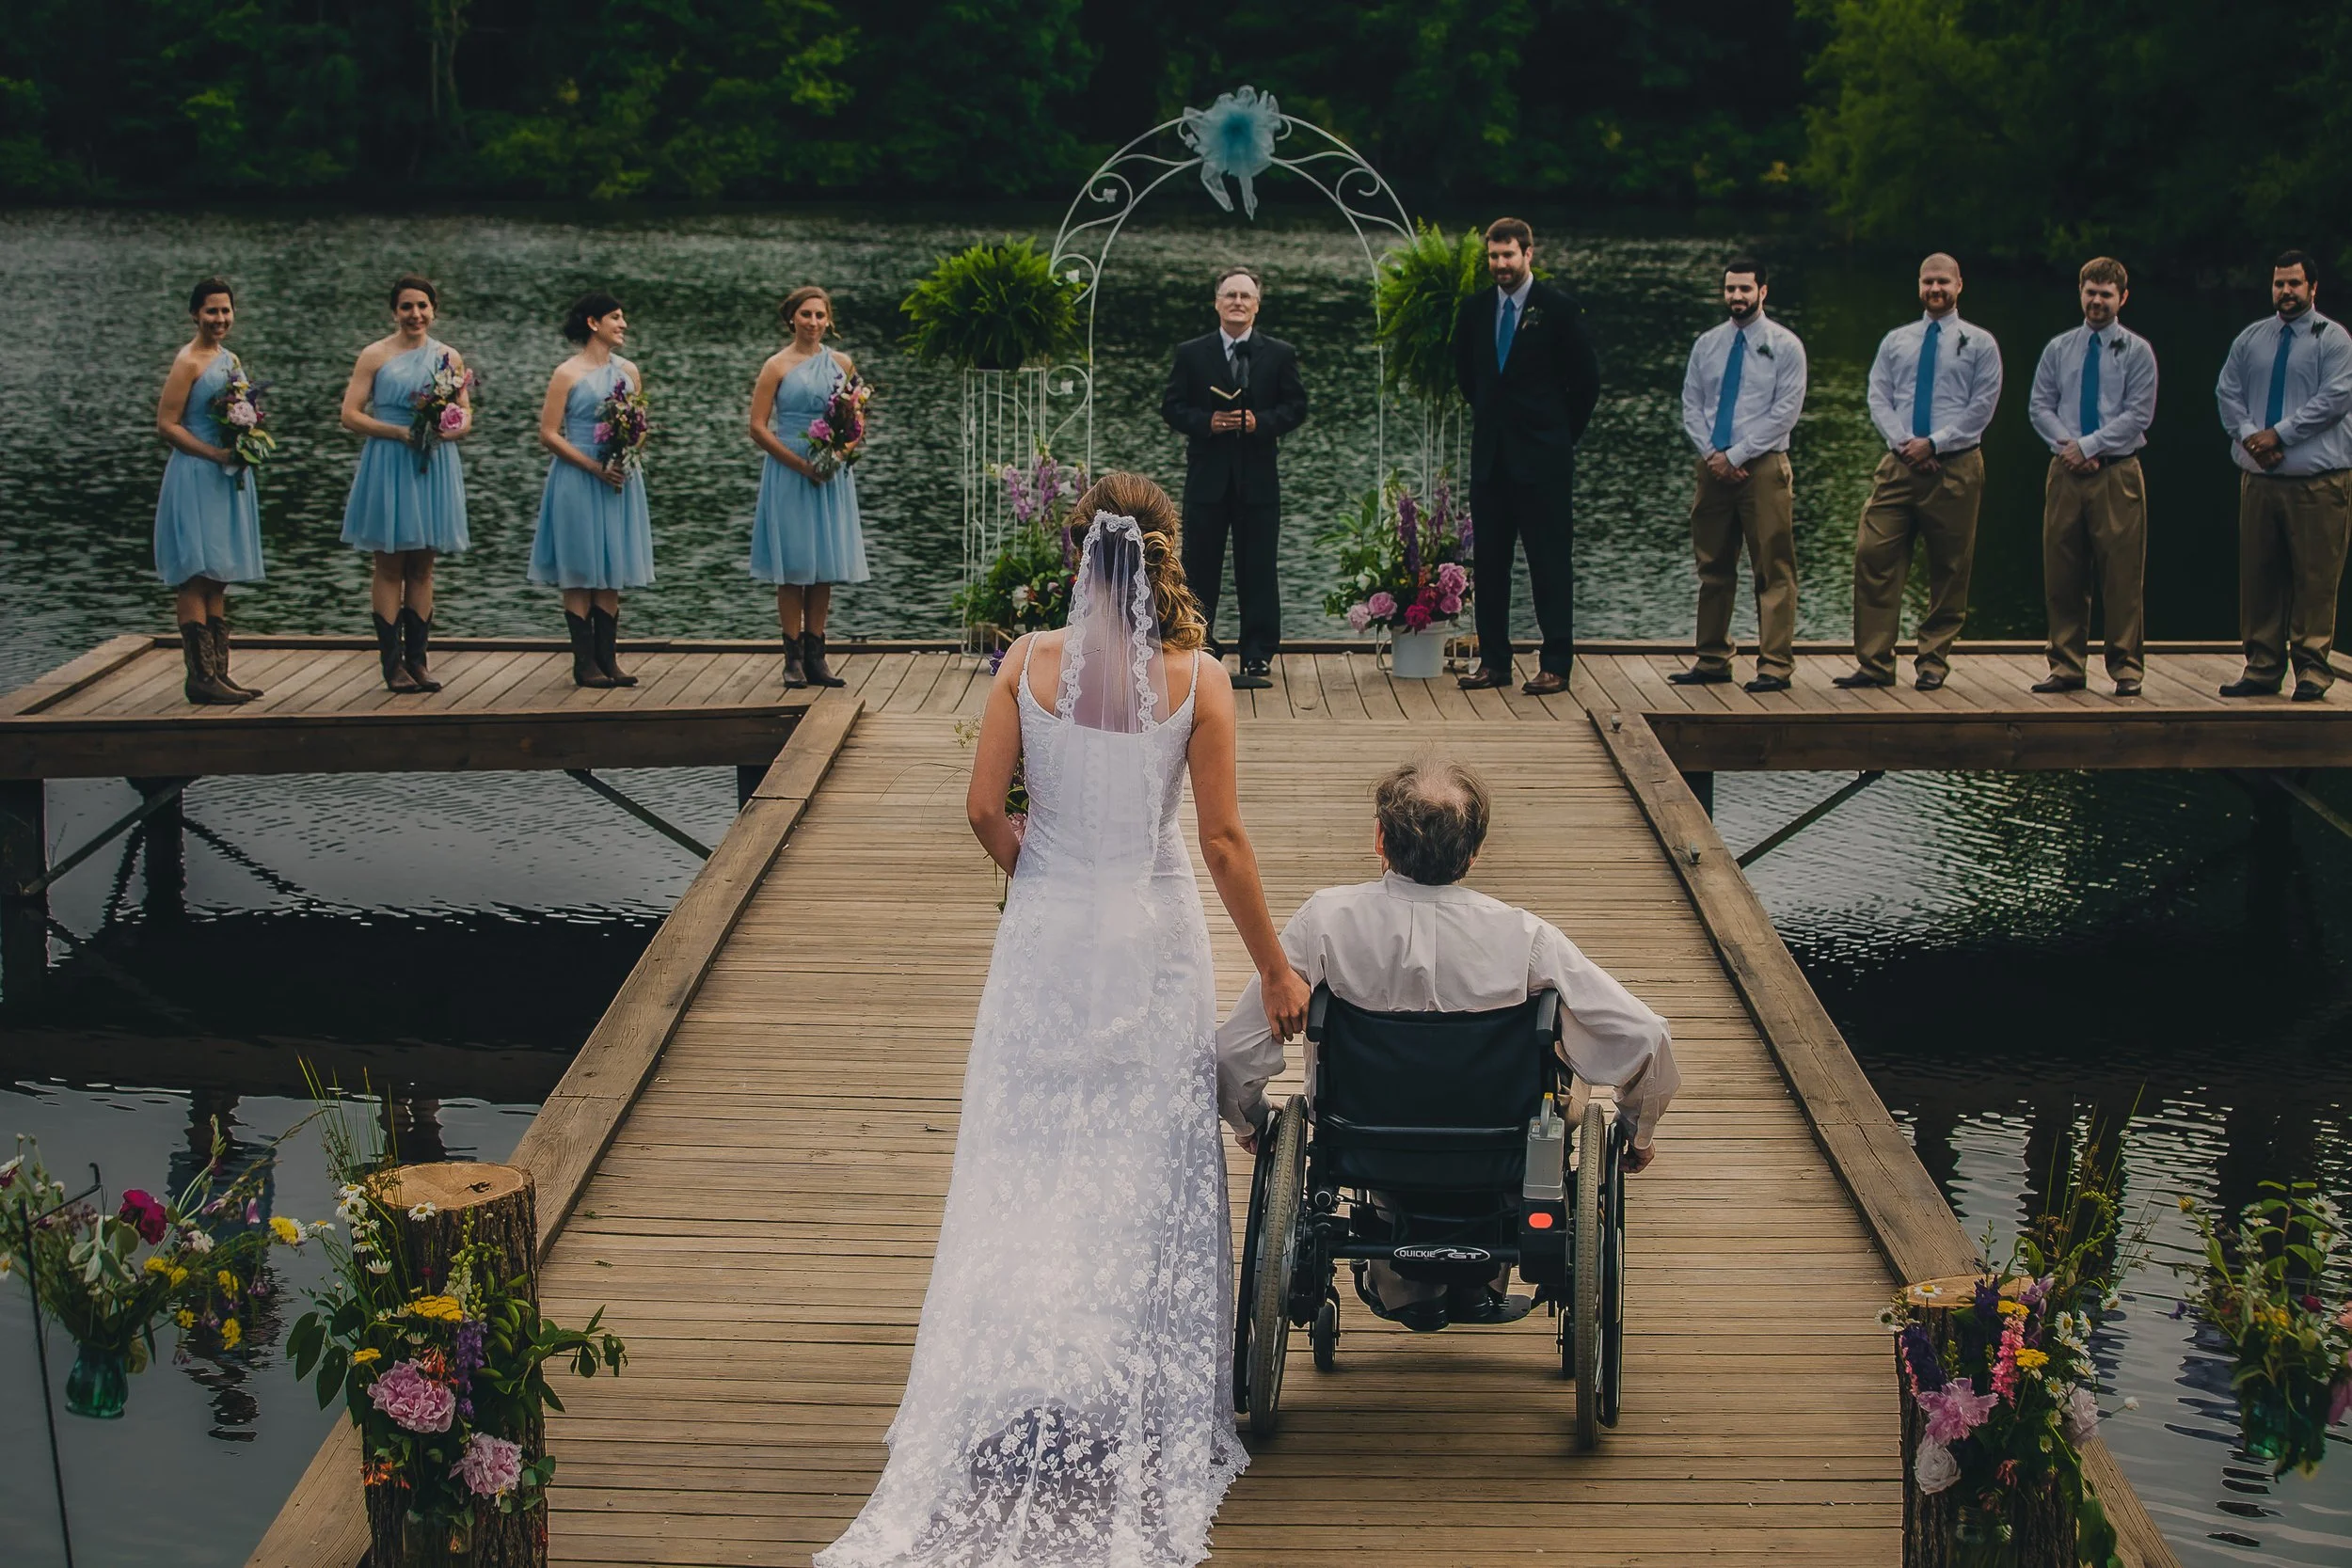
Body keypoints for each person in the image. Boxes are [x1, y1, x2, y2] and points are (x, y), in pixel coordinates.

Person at [818, 472, 1309, 1568]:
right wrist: (1276, 968)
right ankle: (1125, 1388)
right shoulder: (1201, 677)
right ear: (1168, 555)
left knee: (1028, 1152)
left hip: (1044, 933)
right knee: (1141, 1152)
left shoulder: (1025, 661)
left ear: (1082, 552)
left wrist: (1037, 876)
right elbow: (1223, 844)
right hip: (1153, 927)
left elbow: (984, 807)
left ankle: (1019, 1370)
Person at [1216, 752, 1677, 1334]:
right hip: (1497, 1147)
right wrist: (1639, 1129)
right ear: (1474, 851)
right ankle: (1478, 1279)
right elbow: (1646, 1037)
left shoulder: (1324, 923)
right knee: (1565, 1085)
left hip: (1364, 1142)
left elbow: (1233, 1053)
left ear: (1380, 840)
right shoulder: (1526, 938)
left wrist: (1252, 1120)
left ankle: (1410, 1288)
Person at [1837, 253, 2003, 692]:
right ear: (1918, 285)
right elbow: (1878, 397)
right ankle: (1874, 662)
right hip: (1899, 463)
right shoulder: (1897, 341)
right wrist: (1904, 444)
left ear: (1959, 285)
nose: (1936, 289)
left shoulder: (1980, 343)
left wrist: (1936, 442)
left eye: (1943, 282)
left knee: (1950, 566)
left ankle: (1933, 660)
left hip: (1956, 466)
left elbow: (1982, 406)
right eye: (1929, 281)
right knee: (1873, 554)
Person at [1454, 217, 1601, 695]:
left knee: (1549, 563)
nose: (1500, 265)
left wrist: (1558, 436)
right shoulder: (1475, 310)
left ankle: (1556, 662)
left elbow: (1586, 383)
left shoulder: (1557, 309)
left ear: (1528, 254)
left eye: (1508, 255)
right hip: (1491, 460)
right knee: (1491, 565)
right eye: (1493, 257)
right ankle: (1494, 662)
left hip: (1544, 462)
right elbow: (1467, 378)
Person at [1159, 266, 1309, 689]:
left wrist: (1257, 421)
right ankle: (1200, 645)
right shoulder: (1192, 353)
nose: (1238, 302)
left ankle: (1258, 653)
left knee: (1258, 568)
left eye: (1246, 296)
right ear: (1217, 303)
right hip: (1207, 480)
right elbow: (1171, 407)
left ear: (1257, 304)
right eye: (1230, 295)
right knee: (1198, 567)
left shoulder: (1279, 353)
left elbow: (1296, 407)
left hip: (1258, 482)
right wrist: (1210, 421)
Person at [2214, 249, 2352, 702]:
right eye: (2279, 284)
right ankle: (2262, 666)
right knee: (2260, 576)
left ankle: (2312, 669)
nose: (2285, 292)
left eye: (2294, 284)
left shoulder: (2333, 339)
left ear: (2313, 288)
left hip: (2317, 482)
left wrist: (2280, 436)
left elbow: (2333, 401)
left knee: (2315, 578)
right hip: (2259, 480)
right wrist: (2253, 436)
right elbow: (2228, 392)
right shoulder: (2252, 338)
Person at [1672, 258, 1809, 693]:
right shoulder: (1707, 344)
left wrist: (1739, 454)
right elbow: (1691, 404)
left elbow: (1786, 411)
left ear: (1762, 292)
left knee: (1773, 566)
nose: (1736, 297)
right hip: (1712, 467)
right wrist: (1714, 454)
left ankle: (1774, 666)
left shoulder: (1785, 346)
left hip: (1764, 466)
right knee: (1712, 565)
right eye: (1730, 289)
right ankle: (1712, 658)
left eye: (1745, 289)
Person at [2027, 258, 2158, 697]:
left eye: (2106, 294)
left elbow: (2138, 414)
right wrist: (2069, 446)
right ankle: (2066, 664)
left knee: (2121, 574)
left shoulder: (2138, 351)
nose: (2097, 300)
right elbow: (2039, 406)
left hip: (2116, 472)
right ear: (2080, 293)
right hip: (2065, 472)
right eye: (2090, 292)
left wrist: (2089, 446)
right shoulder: (2059, 348)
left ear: (2122, 298)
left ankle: (2126, 668)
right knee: (2062, 572)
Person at [337, 274, 473, 693]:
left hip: (433, 462)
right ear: (395, 312)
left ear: (434, 310)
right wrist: (395, 432)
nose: (416, 314)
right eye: (407, 307)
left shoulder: (449, 356)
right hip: (390, 457)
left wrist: (454, 428)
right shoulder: (375, 355)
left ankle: (419, 661)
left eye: (422, 306)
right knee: (389, 563)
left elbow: (466, 411)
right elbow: (350, 414)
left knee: (424, 565)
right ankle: (391, 665)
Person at [530, 291, 654, 689]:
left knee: (610, 567)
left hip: (617, 475)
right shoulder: (567, 373)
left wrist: (626, 456)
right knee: (581, 567)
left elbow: (641, 427)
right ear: (593, 323)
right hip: (578, 473)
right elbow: (549, 433)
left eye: (623, 317)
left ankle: (608, 659)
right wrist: (593, 467)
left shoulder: (628, 372)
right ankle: (584, 663)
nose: (623, 324)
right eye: (615, 317)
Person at [152, 277, 266, 705]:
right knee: (195, 574)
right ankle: (199, 677)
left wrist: (246, 439)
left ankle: (220, 671)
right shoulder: (188, 362)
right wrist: (215, 455)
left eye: (225, 311)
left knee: (218, 576)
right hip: (197, 474)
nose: (219, 319)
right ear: (195, 314)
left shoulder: (230, 358)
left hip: (226, 477)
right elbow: (167, 425)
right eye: (211, 311)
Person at [749, 284, 868, 689]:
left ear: (828, 319)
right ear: (791, 319)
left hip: (831, 471)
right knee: (793, 567)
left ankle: (819, 657)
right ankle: (792, 658)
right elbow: (757, 427)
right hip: (790, 469)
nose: (813, 322)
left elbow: (856, 420)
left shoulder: (842, 363)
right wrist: (800, 463)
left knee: (823, 567)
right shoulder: (776, 366)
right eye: (806, 315)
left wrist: (839, 453)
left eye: (820, 315)